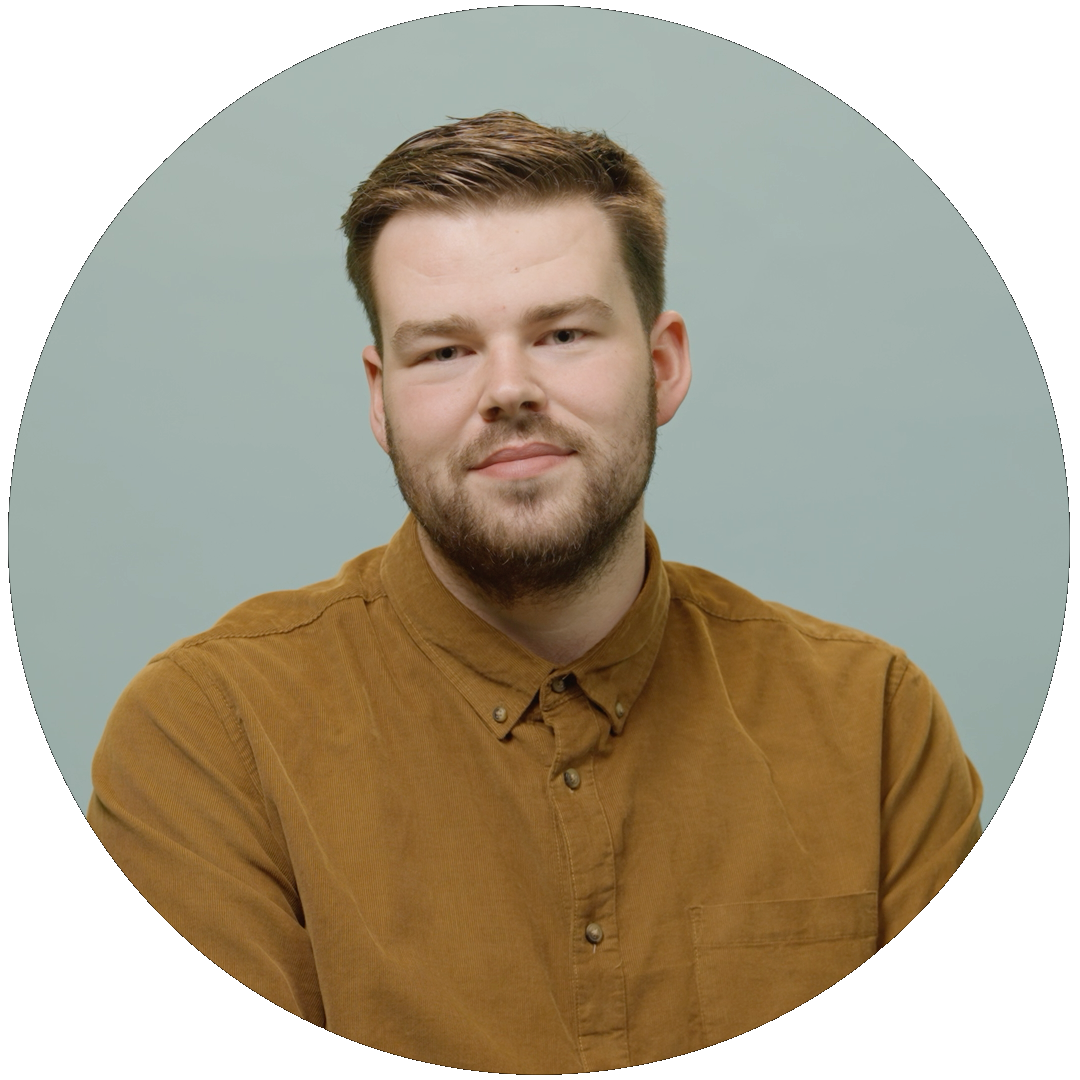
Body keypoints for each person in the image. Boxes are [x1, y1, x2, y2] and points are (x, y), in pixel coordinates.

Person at [88, 111, 982, 1071]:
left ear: (663, 365)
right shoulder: (208, 737)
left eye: (561, 333)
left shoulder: (875, 723)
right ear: (381, 399)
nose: (508, 390)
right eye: (445, 351)